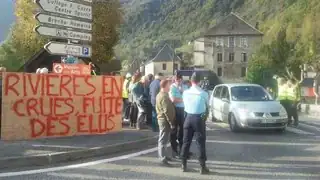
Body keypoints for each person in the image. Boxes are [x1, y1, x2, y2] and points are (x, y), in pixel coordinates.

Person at [180, 72, 209, 174]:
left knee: (186, 142)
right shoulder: (203, 93)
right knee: (200, 142)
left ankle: (183, 164)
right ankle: (202, 166)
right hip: (198, 118)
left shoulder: (185, 92)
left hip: (188, 117)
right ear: (200, 81)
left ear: (191, 81)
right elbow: (207, 106)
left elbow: (184, 103)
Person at [156, 79, 176, 166]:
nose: (170, 87)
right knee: (163, 139)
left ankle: (164, 155)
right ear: (165, 86)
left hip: (163, 119)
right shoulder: (164, 96)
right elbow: (167, 111)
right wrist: (171, 122)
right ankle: (162, 158)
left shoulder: (161, 94)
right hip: (164, 120)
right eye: (169, 85)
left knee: (164, 139)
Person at [169, 73, 188, 158]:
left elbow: (188, 98)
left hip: (183, 110)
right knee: (174, 130)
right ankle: (174, 150)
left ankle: (182, 150)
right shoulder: (172, 87)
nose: (178, 81)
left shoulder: (185, 87)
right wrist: (183, 99)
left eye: (180, 79)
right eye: (177, 79)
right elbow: (173, 100)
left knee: (183, 130)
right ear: (174, 79)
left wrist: (181, 99)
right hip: (175, 110)